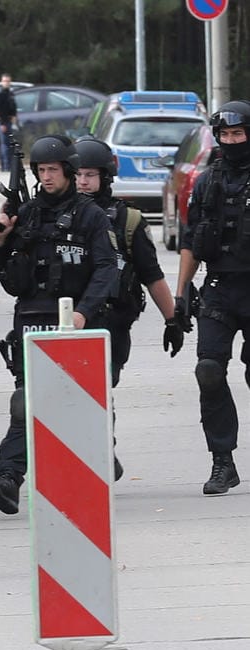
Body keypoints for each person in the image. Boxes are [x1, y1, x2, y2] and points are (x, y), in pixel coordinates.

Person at [0, 134, 120, 514]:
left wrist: (83, 312)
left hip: (75, 321)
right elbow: (10, 282)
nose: (46, 177)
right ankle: (7, 479)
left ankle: (93, 468)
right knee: (25, 402)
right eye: (40, 171)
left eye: (52, 170)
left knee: (77, 405)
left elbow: (107, 269)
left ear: (69, 172)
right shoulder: (26, 214)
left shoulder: (91, 215)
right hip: (31, 319)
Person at [74, 137, 184, 478]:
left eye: (90, 175)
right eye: (77, 174)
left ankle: (101, 450)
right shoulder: (57, 216)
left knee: (97, 389)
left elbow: (152, 275)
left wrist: (173, 319)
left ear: (105, 177)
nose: (82, 182)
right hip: (67, 318)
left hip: (112, 322)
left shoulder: (128, 220)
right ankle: (91, 455)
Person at [175, 100, 250, 495]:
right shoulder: (207, 182)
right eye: (225, 135)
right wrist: (180, 294)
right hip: (219, 289)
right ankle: (223, 461)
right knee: (208, 370)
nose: (232, 141)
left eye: (239, 134)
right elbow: (190, 240)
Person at [0, 73, 19, 172]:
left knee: (8, 144)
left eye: (8, 81)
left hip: (9, 121)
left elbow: (13, 106)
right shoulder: (0, 94)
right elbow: (0, 110)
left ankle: (6, 165)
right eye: (5, 81)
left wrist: (14, 115)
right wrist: (2, 123)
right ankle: (6, 166)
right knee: (5, 144)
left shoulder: (10, 93)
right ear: (2, 82)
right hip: (4, 122)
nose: (6, 83)